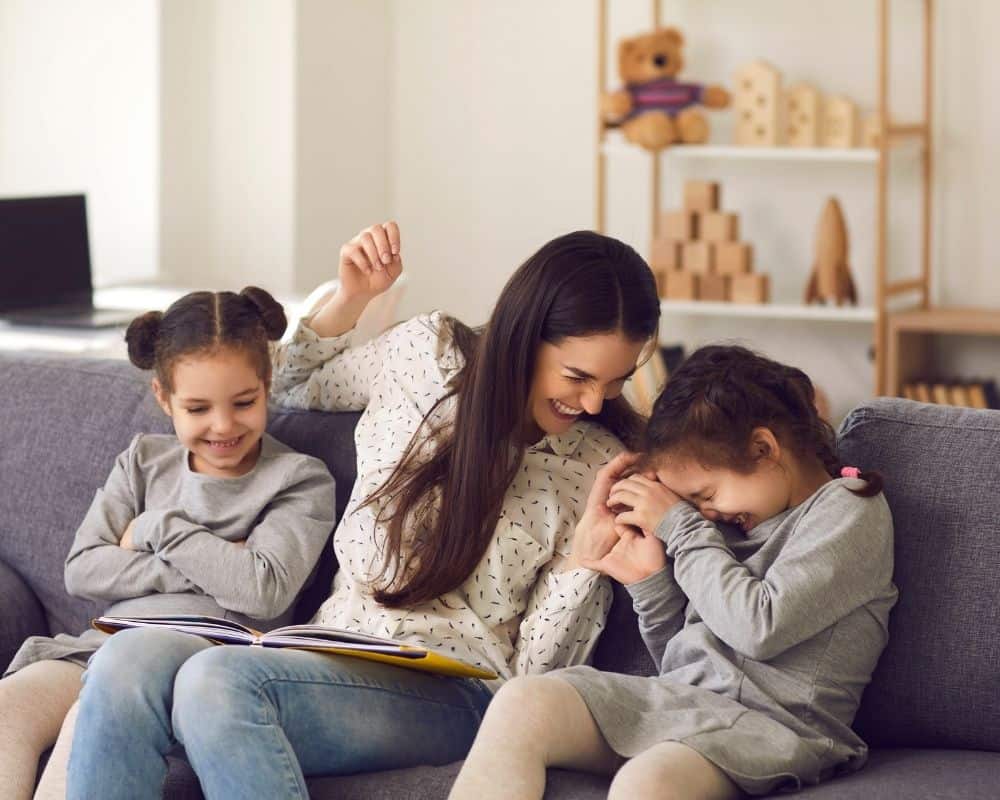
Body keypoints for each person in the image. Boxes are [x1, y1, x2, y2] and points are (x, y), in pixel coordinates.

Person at [65, 222, 662, 799]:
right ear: (522, 337)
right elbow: (292, 385)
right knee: (125, 662)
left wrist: (582, 564)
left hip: (457, 690)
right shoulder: (424, 354)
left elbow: (533, 680)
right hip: (329, 648)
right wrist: (351, 297)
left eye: (613, 383)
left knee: (216, 683)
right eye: (577, 375)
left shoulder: (599, 468)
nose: (590, 401)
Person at [451, 344, 899, 800]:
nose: (708, 512)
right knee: (523, 701)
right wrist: (652, 585)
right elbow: (685, 661)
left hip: (778, 729)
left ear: (764, 448)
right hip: (688, 705)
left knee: (648, 783)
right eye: (695, 504)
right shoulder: (728, 524)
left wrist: (681, 527)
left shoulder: (850, 508)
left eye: (707, 493)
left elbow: (759, 628)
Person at [0, 287, 335, 800]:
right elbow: (83, 570)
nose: (223, 425)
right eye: (198, 408)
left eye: (243, 402)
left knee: (92, 716)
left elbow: (263, 592)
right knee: (8, 709)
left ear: (267, 385)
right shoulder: (142, 461)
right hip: (102, 644)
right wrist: (220, 558)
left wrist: (159, 529)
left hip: (204, 658)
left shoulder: (299, 480)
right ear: (163, 398)